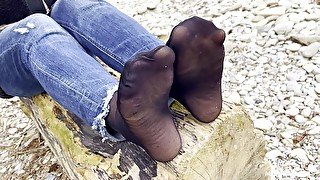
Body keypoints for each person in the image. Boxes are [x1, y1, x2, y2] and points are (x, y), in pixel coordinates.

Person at [0, 0, 225, 162]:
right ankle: (120, 114)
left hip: (52, 9)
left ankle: (179, 77)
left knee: (77, 4)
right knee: (36, 28)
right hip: (11, 48)